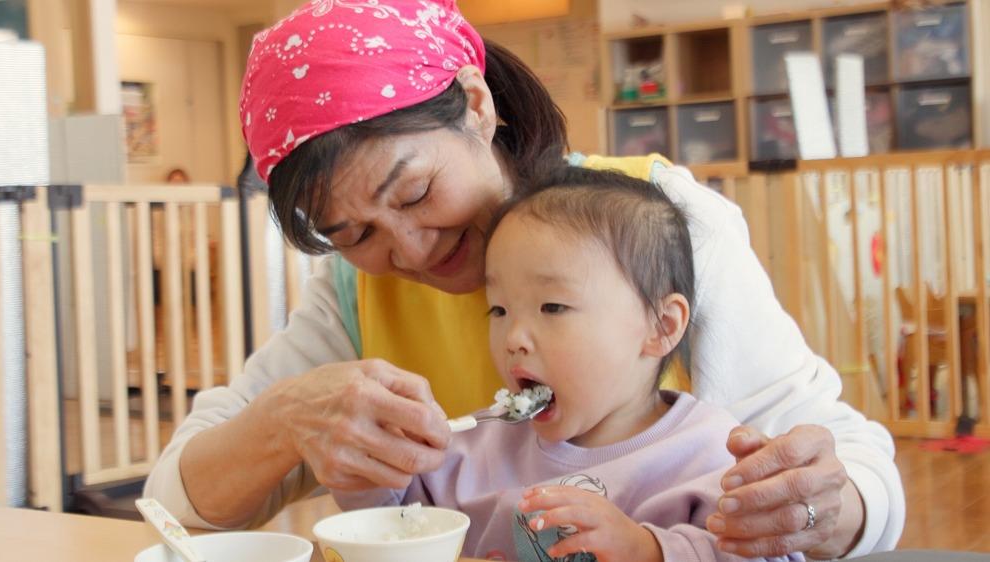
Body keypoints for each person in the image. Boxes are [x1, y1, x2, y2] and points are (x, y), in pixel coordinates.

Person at [143, 1, 904, 558]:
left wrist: (823, 505)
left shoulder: (652, 221)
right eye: (354, 234)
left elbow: (849, 463)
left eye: (413, 193)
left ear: (476, 105)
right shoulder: (353, 293)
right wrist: (284, 420)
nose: (407, 249)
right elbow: (175, 502)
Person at [332, 165, 804, 562]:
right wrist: (367, 474)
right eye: (498, 310)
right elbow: (402, 523)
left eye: (553, 308)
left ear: (661, 326)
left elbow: (766, 551)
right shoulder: (470, 451)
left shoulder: (709, 452)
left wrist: (649, 549)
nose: (513, 338)